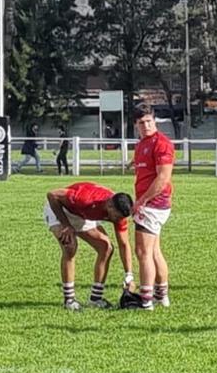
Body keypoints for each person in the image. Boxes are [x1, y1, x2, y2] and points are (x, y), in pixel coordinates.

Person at [44, 182, 133, 310]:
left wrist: (129, 275)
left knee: (106, 248)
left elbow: (124, 244)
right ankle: (69, 300)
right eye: (117, 216)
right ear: (110, 205)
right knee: (70, 247)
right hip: (60, 211)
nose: (118, 220)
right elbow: (52, 195)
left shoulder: (119, 214)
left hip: (82, 215)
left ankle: (96, 299)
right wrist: (66, 224)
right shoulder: (85, 198)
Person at [128, 104, 174, 310]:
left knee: (142, 252)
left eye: (149, 121)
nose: (146, 125)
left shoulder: (161, 143)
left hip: (153, 203)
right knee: (154, 251)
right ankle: (161, 296)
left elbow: (163, 177)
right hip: (152, 202)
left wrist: (142, 200)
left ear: (155, 120)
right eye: (141, 122)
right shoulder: (142, 144)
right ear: (136, 125)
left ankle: (146, 300)